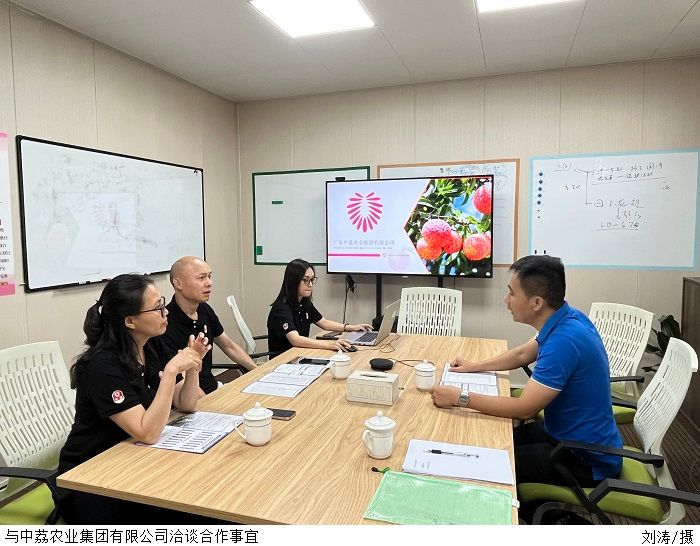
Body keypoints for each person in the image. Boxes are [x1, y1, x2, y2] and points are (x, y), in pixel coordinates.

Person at [432, 255, 622, 522]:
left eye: (511, 293)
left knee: (488, 468)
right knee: (489, 442)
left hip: (584, 458)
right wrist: (473, 367)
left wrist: (459, 397)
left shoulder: (565, 341)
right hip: (564, 435)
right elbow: (522, 354)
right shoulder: (566, 318)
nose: (506, 300)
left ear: (536, 303)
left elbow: (524, 409)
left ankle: (555, 520)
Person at [57, 274, 211, 524]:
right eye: (157, 308)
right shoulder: (102, 366)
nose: (166, 312)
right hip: (90, 480)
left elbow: (186, 404)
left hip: (136, 460)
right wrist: (171, 371)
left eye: (163, 303)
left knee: (201, 500)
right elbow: (147, 433)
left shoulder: (152, 345)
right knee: (191, 513)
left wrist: (193, 365)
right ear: (130, 321)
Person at [162, 256, 256, 394]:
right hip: (191, 398)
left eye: (209, 276)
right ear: (178, 283)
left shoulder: (204, 309)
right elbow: (179, 383)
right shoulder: (166, 324)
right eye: (201, 278)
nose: (209, 283)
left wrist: (258, 371)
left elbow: (229, 346)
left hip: (213, 387)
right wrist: (211, 402)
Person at [267, 258, 372, 354]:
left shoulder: (305, 302)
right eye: (305, 280)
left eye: (312, 280)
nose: (310, 284)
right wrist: (330, 345)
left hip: (300, 354)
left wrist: (351, 328)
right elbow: (295, 340)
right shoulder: (281, 309)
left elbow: (324, 323)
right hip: (283, 360)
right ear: (293, 281)